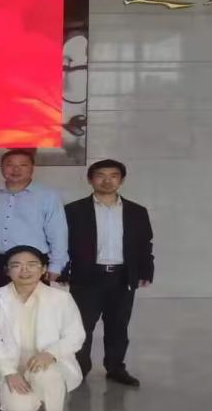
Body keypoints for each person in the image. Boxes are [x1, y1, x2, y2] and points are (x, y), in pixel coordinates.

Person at [62, 159, 154, 387]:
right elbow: (62, 243)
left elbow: (144, 244)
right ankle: (79, 369)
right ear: (90, 179)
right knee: (82, 326)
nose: (107, 181)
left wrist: (145, 270)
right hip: (86, 277)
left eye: (113, 176)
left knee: (118, 325)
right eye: (101, 175)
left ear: (121, 180)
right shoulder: (73, 210)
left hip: (122, 277)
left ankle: (115, 368)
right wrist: (63, 272)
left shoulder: (137, 211)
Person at [0, 246, 85, 411]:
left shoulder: (61, 298)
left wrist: (51, 353)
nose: (25, 270)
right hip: (12, 365)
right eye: (16, 265)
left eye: (32, 264)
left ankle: (51, 407)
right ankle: (32, 399)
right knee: (20, 409)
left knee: (47, 382)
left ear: (43, 269)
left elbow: (75, 336)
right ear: (7, 271)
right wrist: (9, 372)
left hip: (48, 363)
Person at [0, 149, 69, 291]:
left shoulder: (48, 196)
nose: (16, 169)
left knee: (34, 304)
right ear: (1, 167)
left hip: (33, 262)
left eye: (23, 165)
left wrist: (56, 265)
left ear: (32, 168)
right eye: (10, 165)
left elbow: (57, 233)